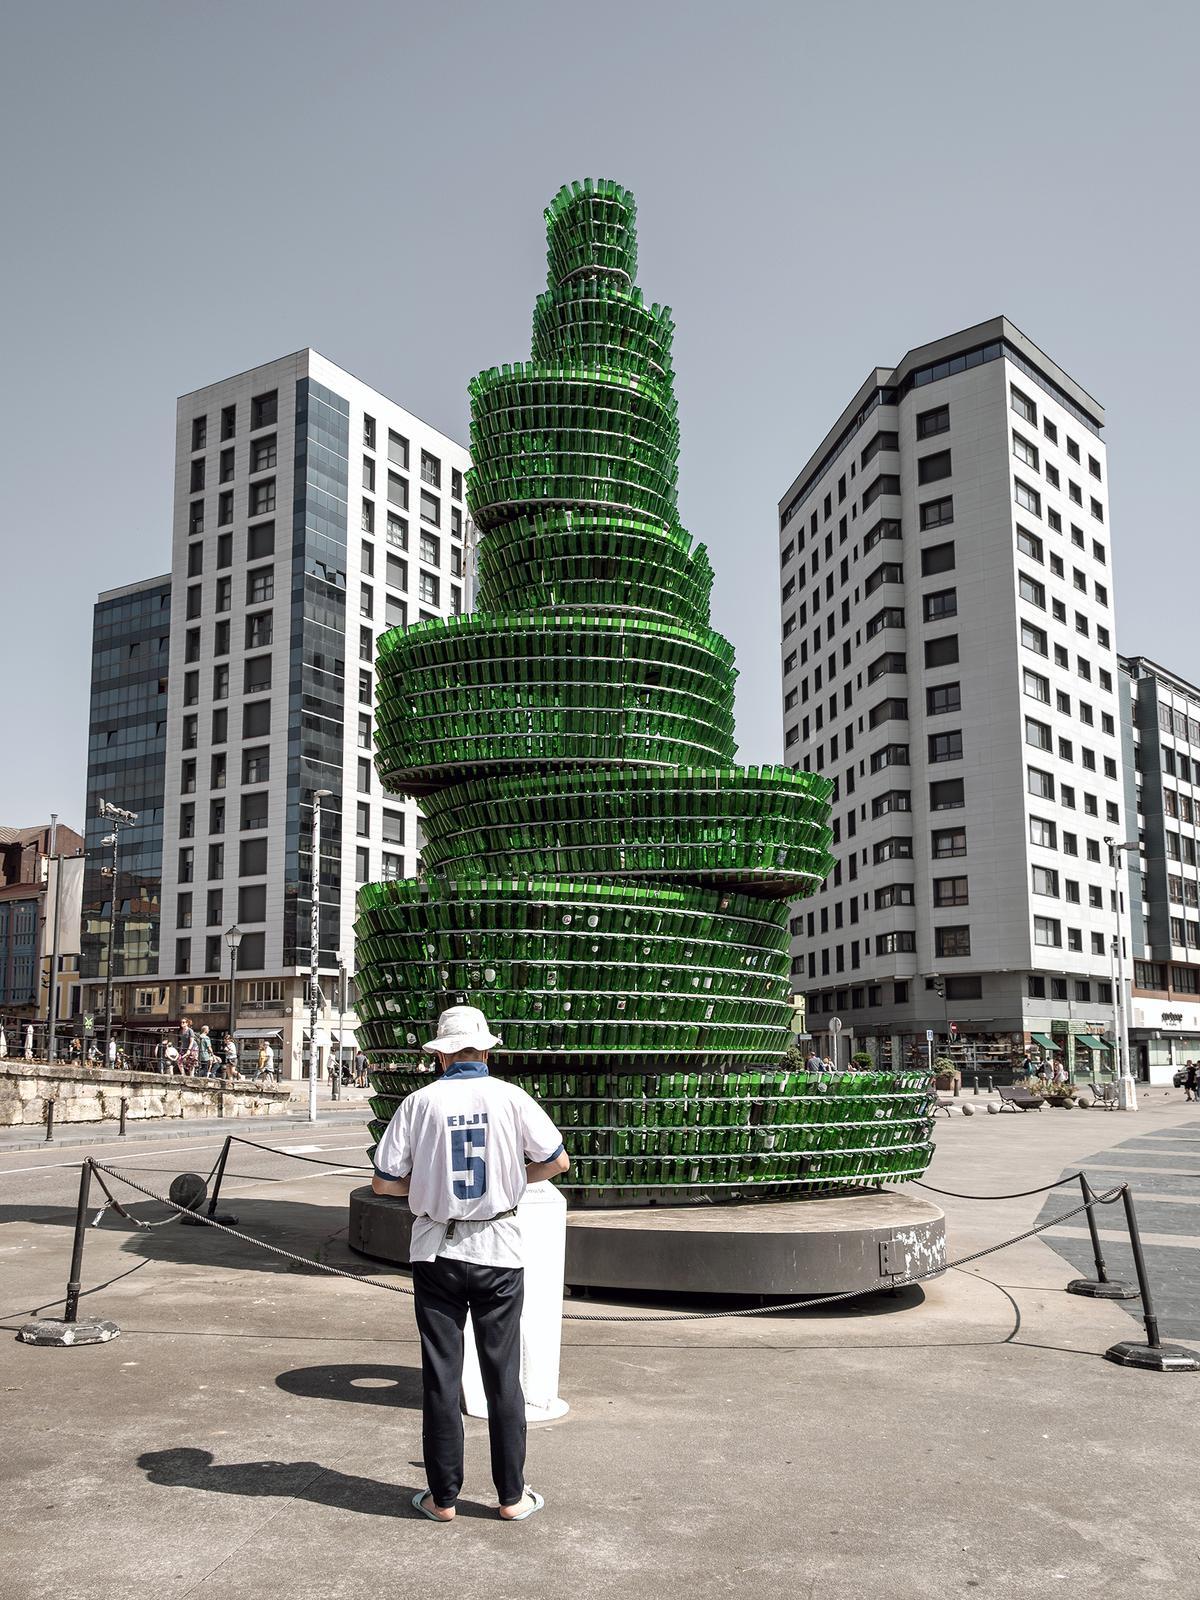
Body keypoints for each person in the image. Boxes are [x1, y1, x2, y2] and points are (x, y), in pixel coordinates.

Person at [372, 1004, 568, 1524]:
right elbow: (558, 1159)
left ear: (440, 1056)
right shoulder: (511, 1098)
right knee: (504, 1376)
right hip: (498, 1248)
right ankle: (511, 1496)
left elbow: (383, 1180)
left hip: (436, 1249)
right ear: (484, 1051)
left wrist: (425, 1184)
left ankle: (443, 1498)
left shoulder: (419, 1104)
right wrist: (513, 1176)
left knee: (441, 1376)